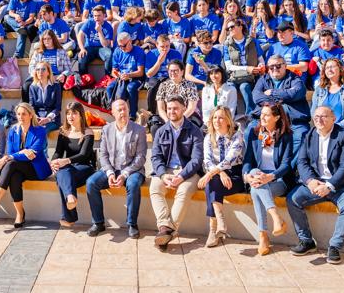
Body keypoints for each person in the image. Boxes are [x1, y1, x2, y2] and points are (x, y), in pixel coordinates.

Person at [286, 106, 344, 264]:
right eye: (316, 117)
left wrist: (329, 186)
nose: (319, 120)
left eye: (323, 116)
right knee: (293, 199)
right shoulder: (310, 134)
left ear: (333, 118)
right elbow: (302, 161)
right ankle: (306, 241)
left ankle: (335, 246)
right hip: (316, 182)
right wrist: (310, 180)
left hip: (343, 185)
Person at [0, 103, 52, 228]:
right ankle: (20, 214)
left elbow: (33, 153)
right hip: (19, 167)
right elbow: (12, 152)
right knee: (14, 176)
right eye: (18, 114)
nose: (20, 117)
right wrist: (22, 152)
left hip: (36, 169)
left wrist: (12, 156)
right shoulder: (13, 130)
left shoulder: (40, 130)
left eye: (24, 114)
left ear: (31, 115)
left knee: (11, 163)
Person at [85, 99, 147, 239]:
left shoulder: (139, 130)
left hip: (132, 170)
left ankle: (132, 224)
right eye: (119, 110)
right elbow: (103, 154)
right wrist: (110, 173)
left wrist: (124, 174)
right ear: (112, 113)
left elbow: (141, 158)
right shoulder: (107, 129)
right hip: (112, 169)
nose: (122, 112)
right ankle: (98, 222)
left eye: (124, 109)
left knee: (133, 184)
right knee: (91, 183)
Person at [149, 96, 204, 250]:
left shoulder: (194, 131)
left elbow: (196, 159)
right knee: (155, 188)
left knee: (184, 190)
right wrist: (162, 174)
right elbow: (155, 157)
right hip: (166, 170)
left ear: (184, 108)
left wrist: (181, 176)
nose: (172, 111)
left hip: (188, 172)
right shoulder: (161, 131)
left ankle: (166, 231)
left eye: (175, 108)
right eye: (169, 108)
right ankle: (166, 229)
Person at [243, 102, 293, 255]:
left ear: (277, 117)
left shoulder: (286, 136)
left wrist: (270, 177)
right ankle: (276, 218)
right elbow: (248, 160)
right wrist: (247, 176)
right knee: (256, 175)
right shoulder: (254, 133)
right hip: (258, 177)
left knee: (256, 189)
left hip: (278, 180)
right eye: (261, 114)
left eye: (266, 115)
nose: (262, 117)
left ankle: (263, 236)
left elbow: (286, 165)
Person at [250, 55, 310, 168]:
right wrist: (284, 98)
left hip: (293, 121)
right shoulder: (263, 79)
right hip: (267, 120)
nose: (274, 69)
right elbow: (257, 97)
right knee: (250, 131)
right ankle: (257, 168)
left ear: (285, 66)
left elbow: (297, 92)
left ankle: (286, 172)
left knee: (302, 135)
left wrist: (272, 92)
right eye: (271, 67)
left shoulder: (295, 79)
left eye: (278, 66)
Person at [198, 106, 245, 247]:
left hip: (235, 176)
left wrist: (210, 174)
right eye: (214, 117)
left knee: (210, 182)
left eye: (221, 117)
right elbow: (207, 160)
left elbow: (230, 159)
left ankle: (213, 229)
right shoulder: (208, 137)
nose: (217, 121)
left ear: (228, 121)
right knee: (213, 182)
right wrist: (220, 172)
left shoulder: (237, 136)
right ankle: (219, 223)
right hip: (219, 176)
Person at [50, 102, 96, 227]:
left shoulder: (88, 132)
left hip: (85, 168)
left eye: (74, 113)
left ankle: (69, 217)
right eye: (68, 113)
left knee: (62, 174)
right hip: (69, 169)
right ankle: (71, 197)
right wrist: (54, 162)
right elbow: (58, 152)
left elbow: (83, 155)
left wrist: (65, 161)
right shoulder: (63, 131)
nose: (70, 116)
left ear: (81, 115)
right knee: (62, 171)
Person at [311, 58, 344, 135]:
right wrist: (321, 126)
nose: (329, 69)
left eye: (332, 67)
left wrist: (336, 127)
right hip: (324, 129)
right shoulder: (319, 89)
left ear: (340, 69)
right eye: (327, 68)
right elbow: (314, 111)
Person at [107, 33, 145, 121]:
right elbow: (113, 71)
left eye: (124, 46)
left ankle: (132, 114)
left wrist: (129, 75)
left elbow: (140, 72)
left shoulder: (139, 51)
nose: (122, 48)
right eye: (120, 46)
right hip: (122, 77)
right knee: (109, 88)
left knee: (130, 88)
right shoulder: (117, 51)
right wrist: (118, 75)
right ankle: (114, 111)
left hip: (135, 78)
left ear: (130, 41)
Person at [28, 61, 62, 144]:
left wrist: (48, 118)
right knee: (32, 129)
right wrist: (36, 117)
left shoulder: (56, 86)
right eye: (38, 69)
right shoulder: (33, 87)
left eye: (43, 69)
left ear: (48, 72)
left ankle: (42, 154)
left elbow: (58, 107)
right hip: (38, 118)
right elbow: (31, 106)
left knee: (42, 130)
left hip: (52, 119)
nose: (40, 72)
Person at [77, 5, 114, 77]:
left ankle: (107, 78)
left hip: (102, 48)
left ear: (104, 15)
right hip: (89, 47)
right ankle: (84, 79)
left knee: (109, 54)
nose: (96, 18)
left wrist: (99, 31)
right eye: (95, 16)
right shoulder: (89, 22)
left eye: (99, 16)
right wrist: (82, 48)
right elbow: (80, 35)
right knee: (81, 57)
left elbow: (105, 45)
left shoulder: (108, 26)